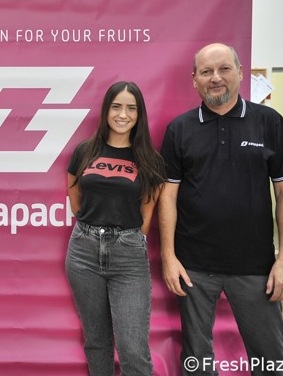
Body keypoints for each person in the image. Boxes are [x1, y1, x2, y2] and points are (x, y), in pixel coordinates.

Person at [159, 43, 283, 376]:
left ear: (240, 72)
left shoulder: (268, 121)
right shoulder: (180, 129)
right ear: (194, 79)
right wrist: (168, 256)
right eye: (206, 72)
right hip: (194, 267)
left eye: (224, 69)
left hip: (256, 267)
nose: (216, 78)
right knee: (197, 362)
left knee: (271, 361)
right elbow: (167, 196)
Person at [65, 81, 166, 376]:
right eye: (116, 107)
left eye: (131, 108)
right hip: (83, 252)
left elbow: (146, 214)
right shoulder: (84, 151)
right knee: (96, 341)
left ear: (139, 114)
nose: (123, 115)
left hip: (128, 256)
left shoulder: (150, 161)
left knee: (132, 348)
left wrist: (125, 238)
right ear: (106, 110)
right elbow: (75, 199)